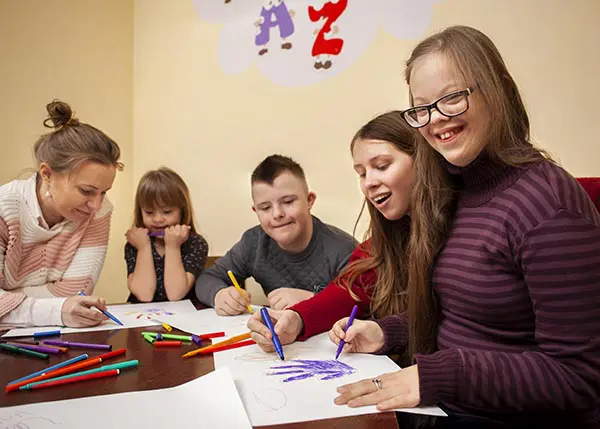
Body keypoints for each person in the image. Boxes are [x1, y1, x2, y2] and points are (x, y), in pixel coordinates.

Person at [331, 25, 600, 428]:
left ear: (499, 89)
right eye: (422, 107)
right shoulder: (453, 191)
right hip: (445, 407)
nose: (436, 119)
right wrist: (387, 333)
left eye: (452, 97)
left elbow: (580, 378)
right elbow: (465, 318)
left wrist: (444, 375)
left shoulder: (549, 203)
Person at [247, 111, 447, 353]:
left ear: (422, 161)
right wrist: (297, 319)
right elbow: (351, 290)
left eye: (381, 166)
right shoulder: (381, 244)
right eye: (361, 173)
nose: (368, 182)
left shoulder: (461, 233)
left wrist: (385, 332)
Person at [0, 99, 123, 327]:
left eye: (104, 192)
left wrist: (11, 299)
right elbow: (64, 302)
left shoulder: (99, 212)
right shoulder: (4, 209)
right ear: (47, 173)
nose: (96, 205)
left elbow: (75, 292)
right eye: (86, 191)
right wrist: (56, 309)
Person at [195, 154, 357, 315]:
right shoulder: (253, 242)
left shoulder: (344, 249)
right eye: (265, 208)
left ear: (309, 200)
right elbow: (207, 279)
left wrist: (313, 301)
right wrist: (219, 294)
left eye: (288, 202)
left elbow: (366, 305)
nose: (277, 214)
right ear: (256, 210)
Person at [125, 167, 208, 303]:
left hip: (184, 317)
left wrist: (173, 246)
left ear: (182, 211)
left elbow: (175, 294)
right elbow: (144, 295)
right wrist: (143, 248)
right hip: (143, 318)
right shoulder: (136, 242)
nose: (158, 219)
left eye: (167, 212)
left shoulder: (196, 243)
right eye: (149, 212)